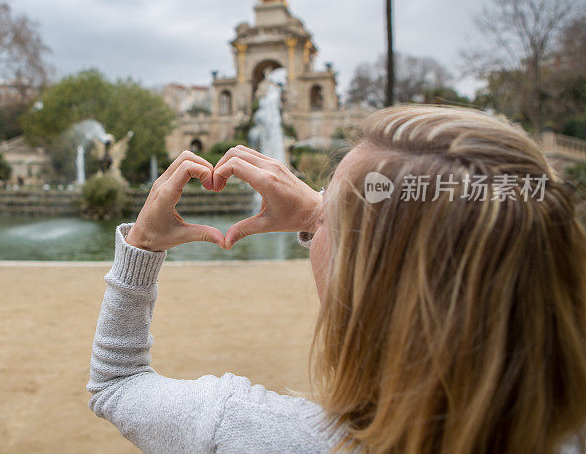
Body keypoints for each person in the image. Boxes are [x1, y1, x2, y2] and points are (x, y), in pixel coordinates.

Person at [87, 105, 586, 453]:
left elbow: (117, 383)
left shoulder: (248, 432)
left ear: (369, 283)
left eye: (330, 214)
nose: (315, 212)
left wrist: (143, 246)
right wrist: (323, 214)